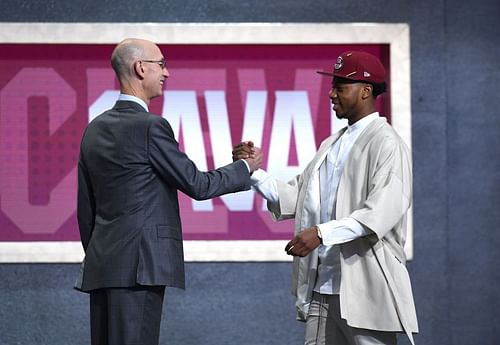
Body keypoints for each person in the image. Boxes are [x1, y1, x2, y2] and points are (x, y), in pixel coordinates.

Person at [75, 38, 262, 345]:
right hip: (140, 270)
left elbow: (86, 209)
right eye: (161, 64)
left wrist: (103, 256)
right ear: (140, 68)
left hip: (104, 268)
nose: (167, 73)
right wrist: (245, 167)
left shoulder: (93, 128)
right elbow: (197, 185)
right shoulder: (150, 127)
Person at [234, 51, 418, 345]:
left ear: (366, 92)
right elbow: (296, 197)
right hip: (324, 288)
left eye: (341, 86)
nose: (331, 94)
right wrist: (253, 171)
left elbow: (380, 213)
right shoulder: (333, 143)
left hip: (366, 289)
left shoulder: (387, 143)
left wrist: (321, 233)